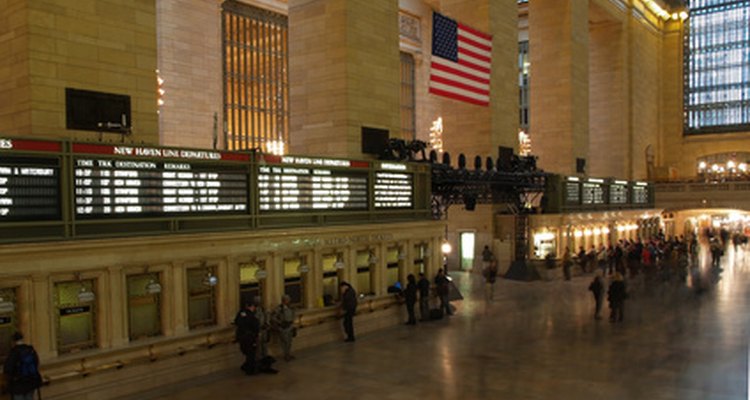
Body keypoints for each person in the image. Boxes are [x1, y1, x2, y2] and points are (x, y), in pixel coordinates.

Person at [3, 332, 42, 400]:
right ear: (22, 339)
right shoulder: (30, 350)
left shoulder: (14, 352)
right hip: (31, 381)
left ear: (13, 341)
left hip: (18, 384)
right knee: (29, 397)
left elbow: (8, 369)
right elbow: (36, 363)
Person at [234, 302, 260, 375]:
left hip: (241, 337)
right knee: (251, 353)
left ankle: (246, 366)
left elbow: (236, 322)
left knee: (246, 352)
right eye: (254, 307)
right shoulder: (251, 316)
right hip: (249, 337)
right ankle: (249, 370)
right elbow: (256, 327)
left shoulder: (241, 313)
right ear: (251, 307)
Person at [272, 295, 297, 361]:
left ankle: (288, 354)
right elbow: (273, 317)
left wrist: (293, 323)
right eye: (287, 300)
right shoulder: (279, 309)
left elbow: (293, 315)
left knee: (289, 342)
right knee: (284, 342)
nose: (289, 301)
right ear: (284, 300)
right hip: (283, 327)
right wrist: (280, 322)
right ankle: (286, 355)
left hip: (290, 326)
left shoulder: (291, 307)